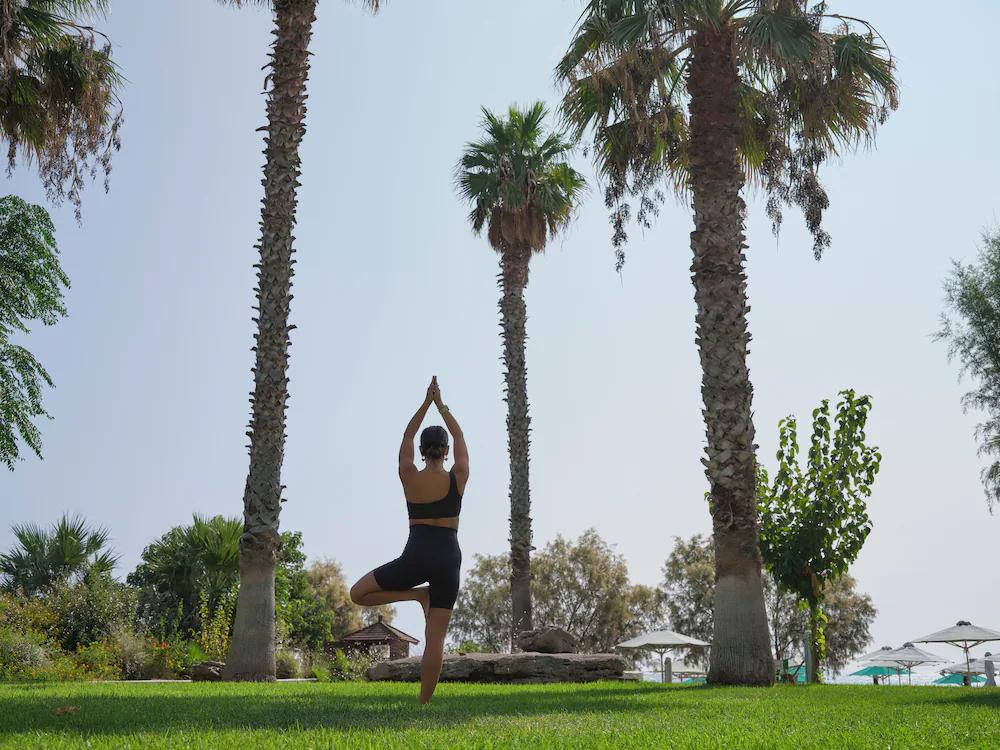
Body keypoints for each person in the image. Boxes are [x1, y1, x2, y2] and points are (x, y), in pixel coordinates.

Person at [350, 376, 469, 704]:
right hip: (448, 557)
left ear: (420, 450)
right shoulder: (458, 476)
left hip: (416, 554)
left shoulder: (409, 475)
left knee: (357, 594)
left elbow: (406, 434)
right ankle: (424, 704)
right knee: (436, 640)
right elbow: (459, 434)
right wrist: (441, 405)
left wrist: (424, 404)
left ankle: (417, 595)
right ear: (445, 452)